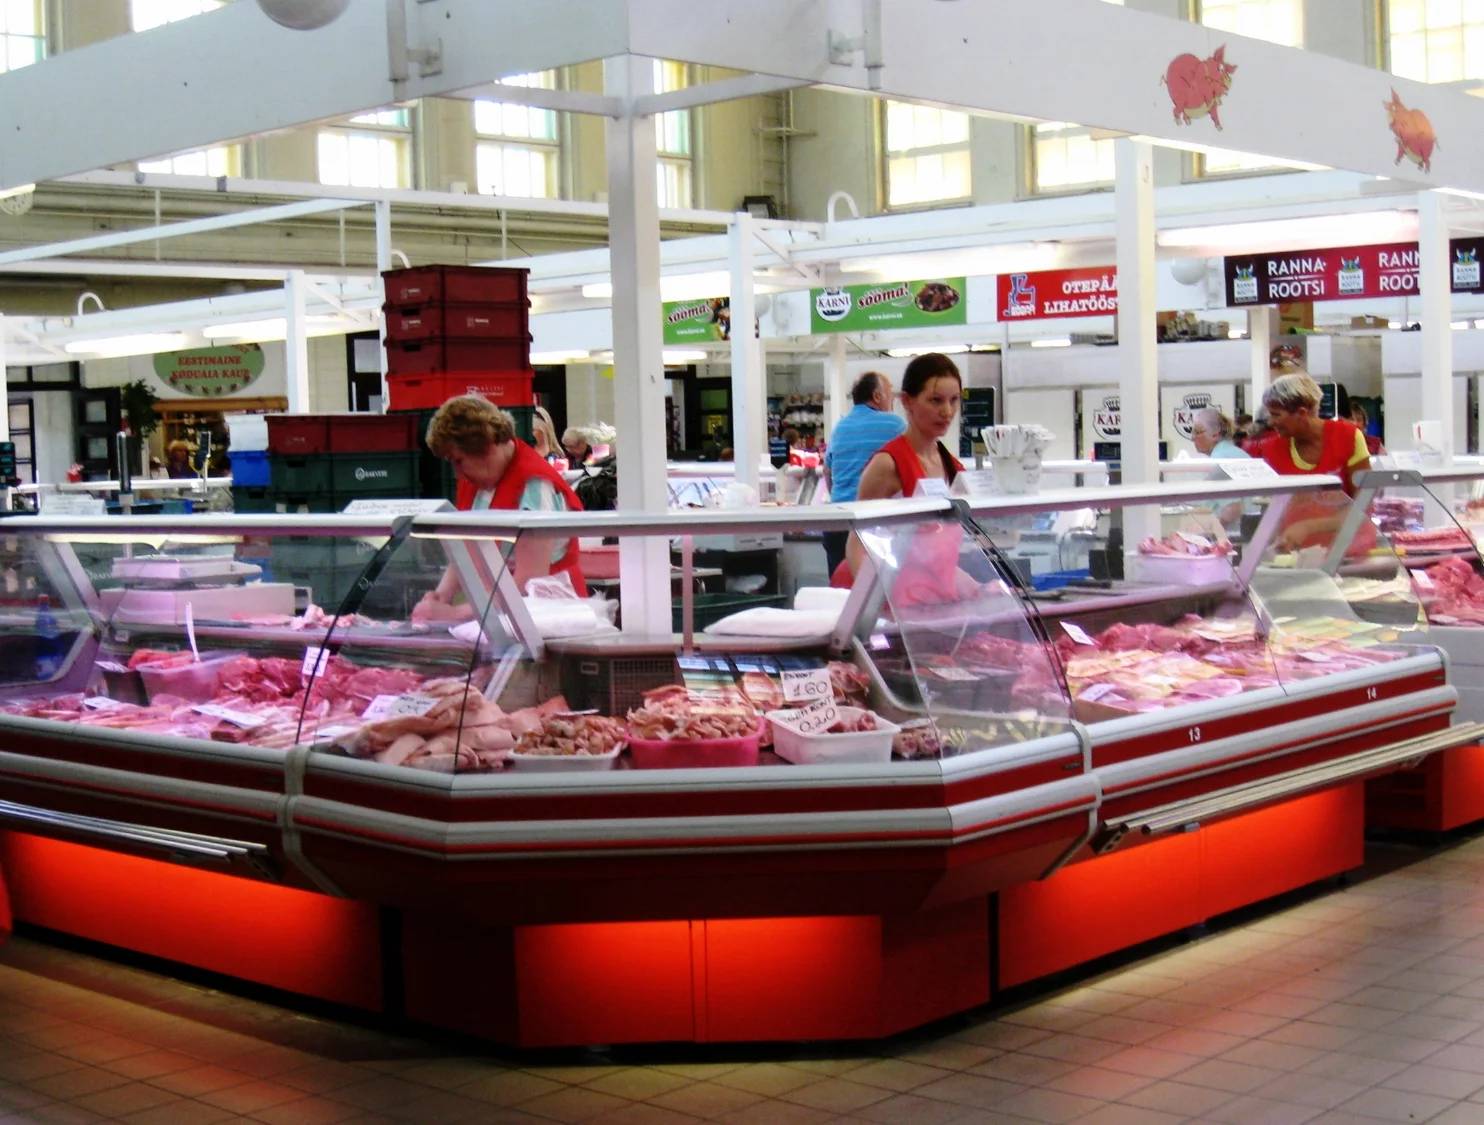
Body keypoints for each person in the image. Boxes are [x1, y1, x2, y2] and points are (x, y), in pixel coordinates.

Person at [413, 396, 586, 624]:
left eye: (458, 460)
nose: (458, 473)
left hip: (550, 617)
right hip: (501, 615)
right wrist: (441, 596)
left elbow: (528, 582)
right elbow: (467, 549)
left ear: (486, 446)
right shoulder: (476, 482)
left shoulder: (534, 486)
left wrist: (454, 614)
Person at [833, 353, 977, 600]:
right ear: (907, 401)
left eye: (954, 400)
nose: (947, 411)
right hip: (890, 593)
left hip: (927, 598)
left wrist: (978, 589)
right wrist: (877, 603)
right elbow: (857, 541)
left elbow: (936, 558)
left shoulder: (952, 466)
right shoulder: (888, 464)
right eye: (935, 400)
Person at [1260, 373, 1373, 552]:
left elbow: (1365, 504)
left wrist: (1309, 526)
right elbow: (1276, 510)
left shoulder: (1348, 437)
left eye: (1276, 415)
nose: (1272, 422)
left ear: (1302, 414)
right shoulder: (1273, 449)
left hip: (1348, 552)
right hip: (1296, 557)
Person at [820, 371, 906, 573]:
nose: (893, 398)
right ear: (877, 396)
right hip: (875, 524)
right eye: (890, 393)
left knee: (840, 592)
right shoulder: (895, 425)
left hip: (837, 523)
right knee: (877, 594)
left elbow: (827, 471)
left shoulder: (840, 427)